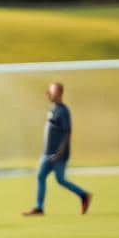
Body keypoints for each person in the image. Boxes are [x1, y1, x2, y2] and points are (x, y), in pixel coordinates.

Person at [22, 82, 91, 216]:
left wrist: (60, 153)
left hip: (58, 155)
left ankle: (84, 195)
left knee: (61, 180)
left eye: (51, 91)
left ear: (59, 93)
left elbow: (67, 133)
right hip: (47, 154)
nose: (48, 94)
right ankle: (39, 208)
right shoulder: (52, 109)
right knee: (41, 176)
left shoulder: (63, 111)